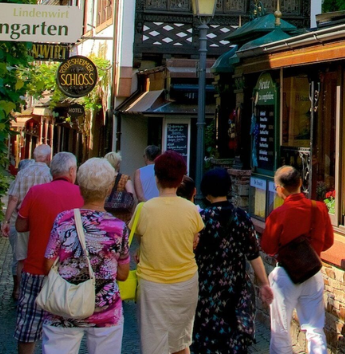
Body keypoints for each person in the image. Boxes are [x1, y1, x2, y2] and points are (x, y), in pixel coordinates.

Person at [41, 158, 130, 354]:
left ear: (80, 187)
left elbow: (47, 265)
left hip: (64, 305)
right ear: (108, 190)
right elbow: (123, 274)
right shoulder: (118, 227)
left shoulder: (63, 220)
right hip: (104, 310)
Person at [192, 168, 270, 354]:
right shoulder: (242, 218)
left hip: (206, 293)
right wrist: (264, 284)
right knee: (235, 345)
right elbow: (254, 255)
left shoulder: (201, 220)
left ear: (206, 191)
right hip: (237, 292)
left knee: (206, 344)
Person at [132, 151, 204, 354]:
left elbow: (140, 239)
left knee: (154, 344)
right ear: (181, 178)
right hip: (186, 282)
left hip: (152, 284)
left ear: (156, 177)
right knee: (181, 343)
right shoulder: (191, 210)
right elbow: (193, 240)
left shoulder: (144, 209)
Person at [15, 151, 83, 354]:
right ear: (72, 171)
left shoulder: (36, 192)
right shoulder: (82, 195)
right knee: (63, 329)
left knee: (28, 326)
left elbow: (20, 225)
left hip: (35, 268)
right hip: (68, 273)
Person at [261, 165, 332, 354]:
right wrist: (310, 251)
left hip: (285, 275)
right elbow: (329, 242)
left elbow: (268, 248)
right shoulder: (319, 208)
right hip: (313, 272)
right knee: (315, 328)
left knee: (280, 330)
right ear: (301, 183)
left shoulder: (277, 214)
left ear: (280, 189)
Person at [4, 144, 53, 299]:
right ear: (48, 158)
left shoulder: (23, 173)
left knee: (21, 258)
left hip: (22, 220)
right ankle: (41, 291)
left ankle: (19, 290)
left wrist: (6, 221)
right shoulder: (50, 174)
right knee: (42, 254)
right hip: (43, 220)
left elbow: (13, 198)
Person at [103, 151, 137, 222]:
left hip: (105, 216)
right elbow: (132, 197)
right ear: (117, 164)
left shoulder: (102, 178)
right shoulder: (125, 179)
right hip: (122, 219)